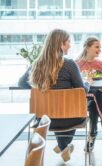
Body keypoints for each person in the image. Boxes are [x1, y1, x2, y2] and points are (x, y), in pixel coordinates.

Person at [18, 29, 88, 162]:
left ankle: (63, 146)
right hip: (71, 118)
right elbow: (82, 91)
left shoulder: (37, 64)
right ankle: (63, 146)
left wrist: (41, 89)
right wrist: (87, 83)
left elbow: (21, 83)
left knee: (55, 108)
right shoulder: (69, 64)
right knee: (74, 107)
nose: (70, 45)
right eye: (68, 42)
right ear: (61, 44)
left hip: (44, 120)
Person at [76, 37, 102, 152]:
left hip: (97, 98)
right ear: (87, 47)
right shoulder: (77, 63)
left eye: (100, 47)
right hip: (82, 96)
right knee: (95, 96)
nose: (99, 49)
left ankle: (92, 137)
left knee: (94, 104)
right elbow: (75, 85)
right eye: (97, 47)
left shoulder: (101, 64)